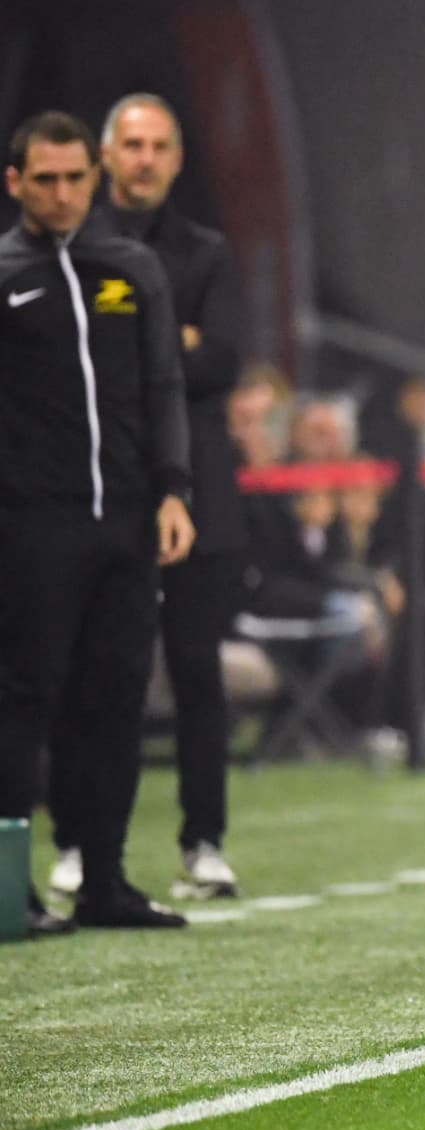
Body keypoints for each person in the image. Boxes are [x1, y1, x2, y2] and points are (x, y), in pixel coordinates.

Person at [46, 94, 244, 902]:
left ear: (178, 157)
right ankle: (76, 839)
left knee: (198, 670)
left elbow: (222, 361)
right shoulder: (67, 247)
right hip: (99, 492)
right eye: (132, 145)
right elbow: (67, 363)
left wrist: (131, 347)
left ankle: (204, 841)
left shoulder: (206, 252)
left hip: (199, 496)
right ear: (105, 156)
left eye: (160, 145)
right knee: (88, 675)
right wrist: (170, 343)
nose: (146, 158)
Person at [0, 111, 194, 932]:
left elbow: (163, 389)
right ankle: (14, 889)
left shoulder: (133, 266)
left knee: (116, 700)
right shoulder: (5, 271)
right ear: (15, 183)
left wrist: (174, 491)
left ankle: (105, 882)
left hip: (125, 523)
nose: (63, 193)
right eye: (45, 179)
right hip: (30, 527)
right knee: (24, 703)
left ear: (95, 175)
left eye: (76, 177)